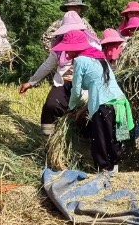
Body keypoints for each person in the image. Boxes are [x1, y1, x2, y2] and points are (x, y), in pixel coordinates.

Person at [56, 29, 133, 173]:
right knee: (115, 138)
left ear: (74, 48)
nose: (67, 54)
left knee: (100, 141)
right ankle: (115, 170)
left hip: (104, 106)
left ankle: (104, 170)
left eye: (68, 50)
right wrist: (82, 110)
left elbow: (76, 90)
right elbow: (100, 87)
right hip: (120, 103)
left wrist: (71, 108)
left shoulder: (80, 60)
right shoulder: (99, 57)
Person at [19, 11, 100, 136]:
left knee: (84, 113)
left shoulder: (92, 43)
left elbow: (99, 65)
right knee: (51, 106)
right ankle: (48, 139)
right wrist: (31, 82)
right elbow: (47, 65)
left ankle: (82, 143)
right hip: (63, 81)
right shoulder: (59, 44)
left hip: (85, 84)